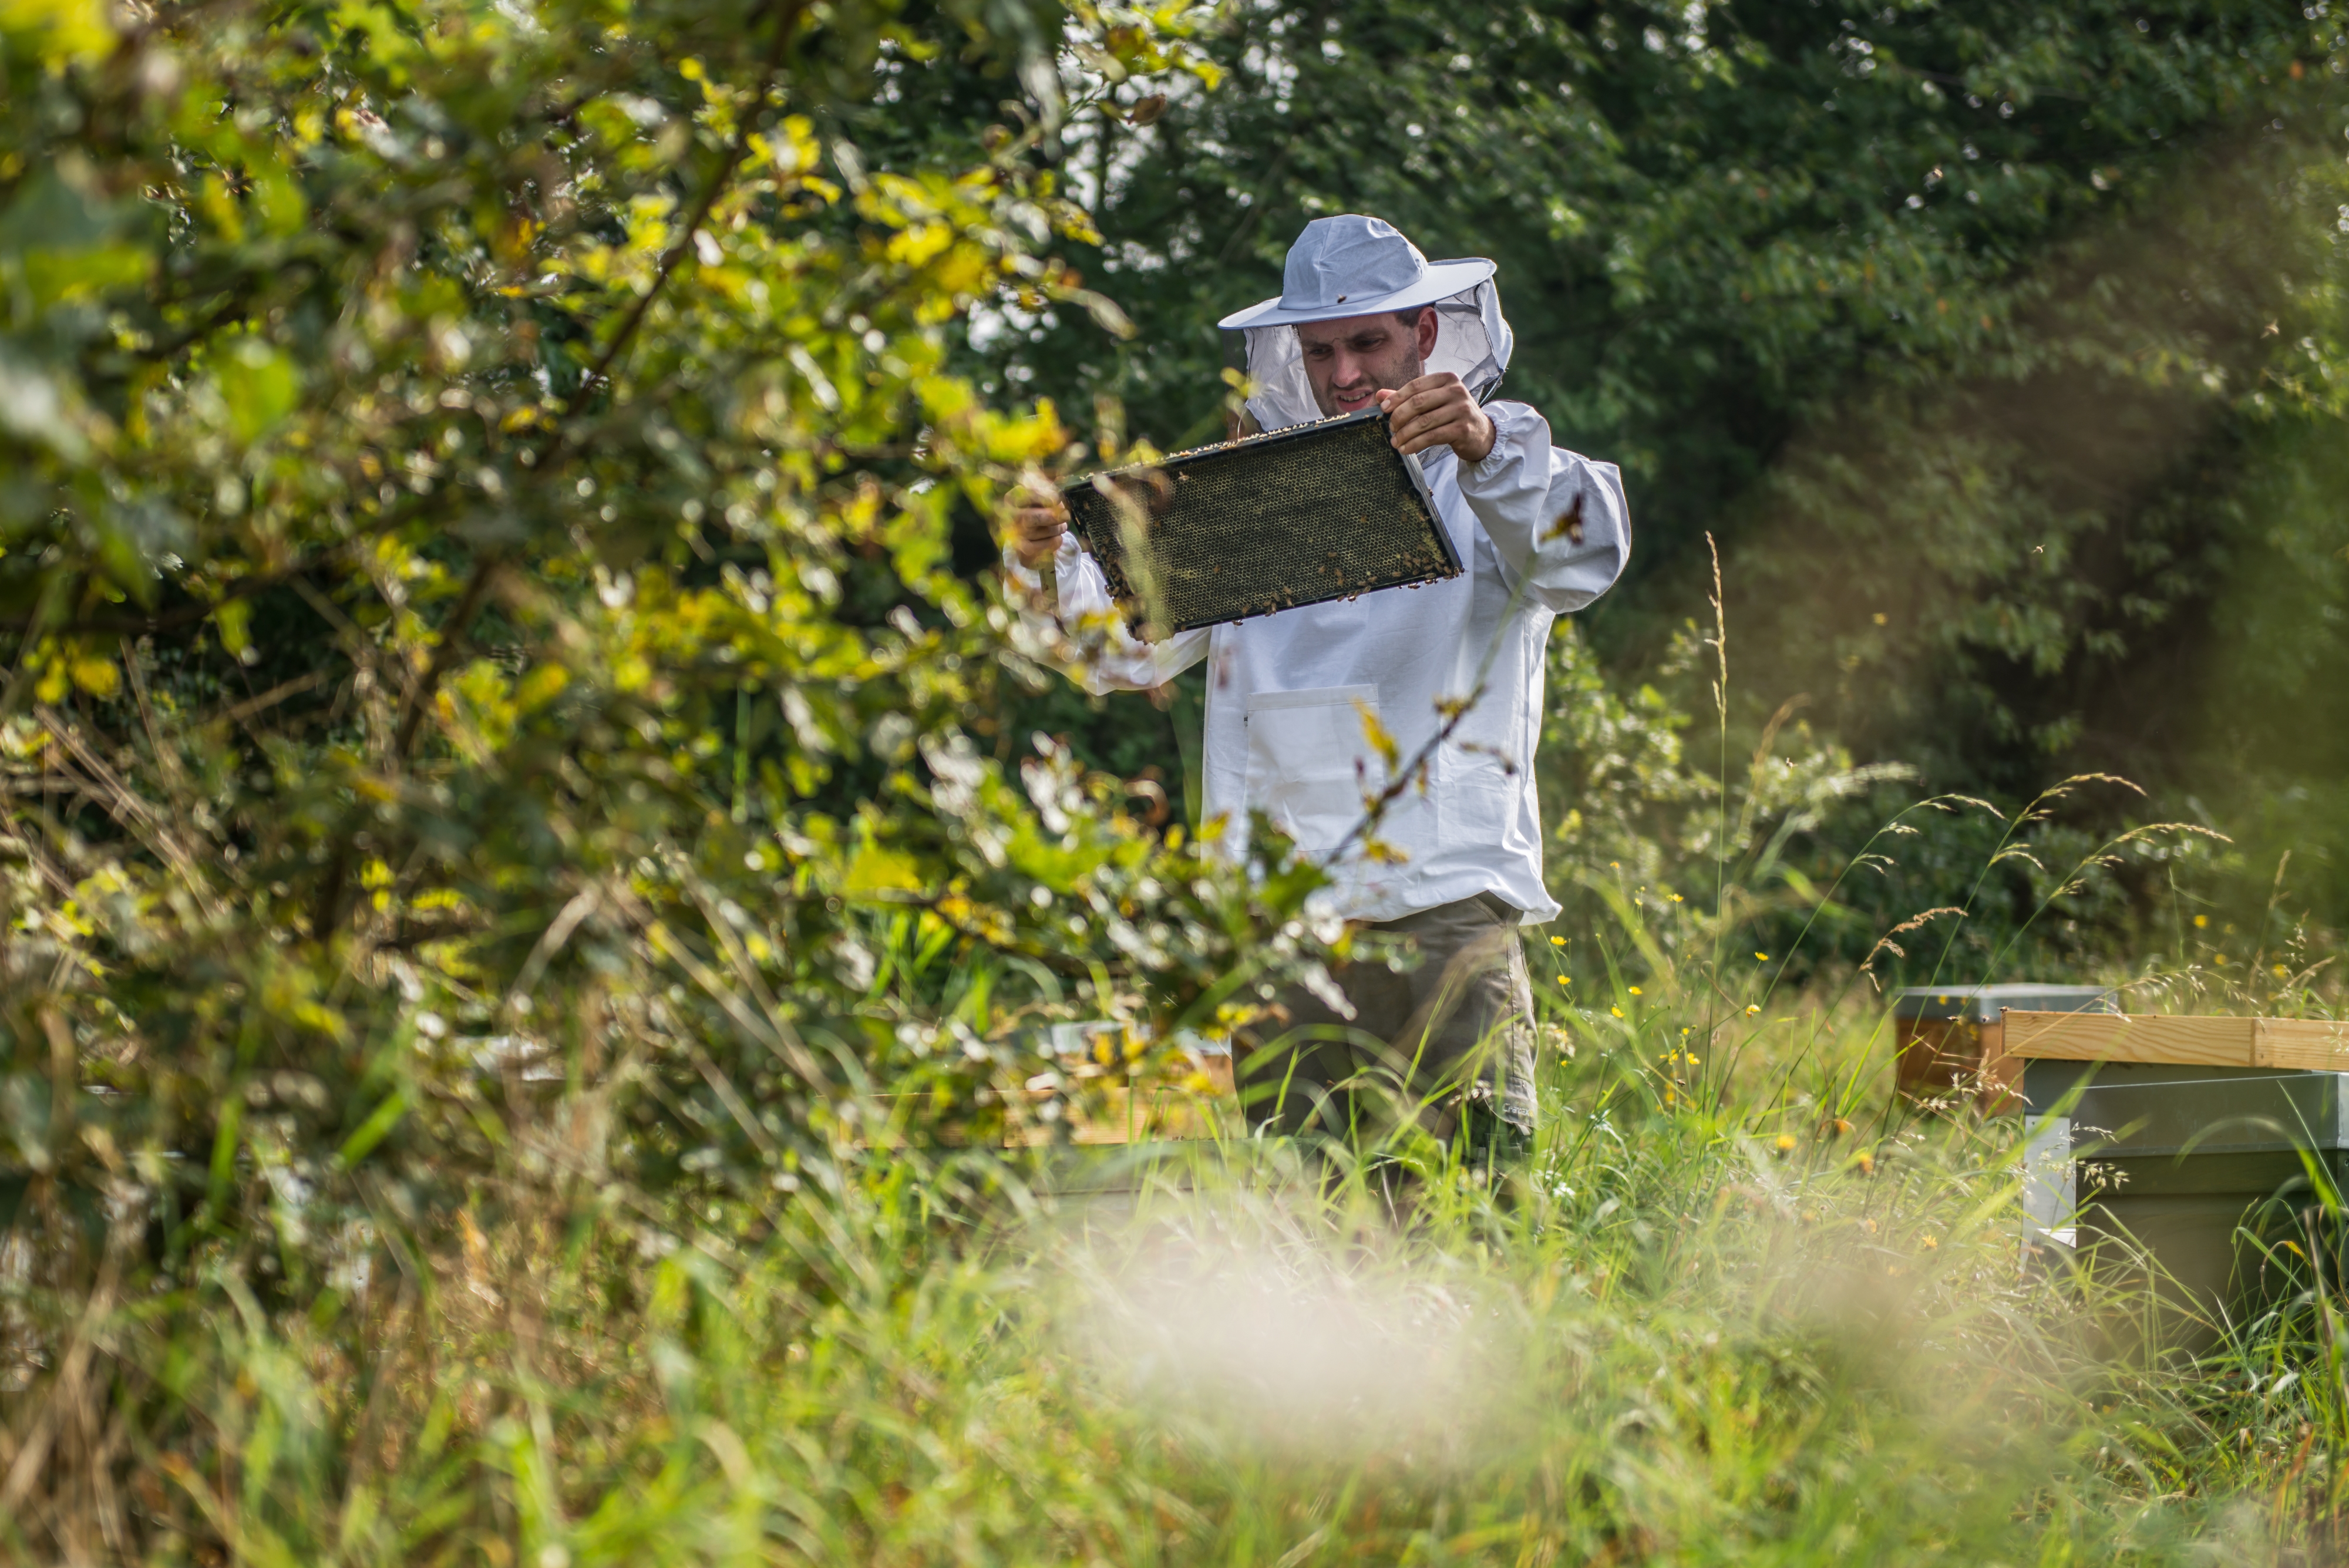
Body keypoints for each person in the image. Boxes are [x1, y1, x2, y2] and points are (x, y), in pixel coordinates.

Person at [1008, 214, 1630, 1165]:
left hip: (1446, 906)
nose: (1344, 374)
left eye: (1368, 342)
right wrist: (1045, 556)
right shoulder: (1247, 503)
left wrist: (1484, 441)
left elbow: (1589, 552)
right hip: (1283, 922)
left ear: (1425, 333)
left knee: (1473, 1209)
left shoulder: (1495, 475)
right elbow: (1113, 657)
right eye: (1322, 349)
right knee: (1309, 1238)